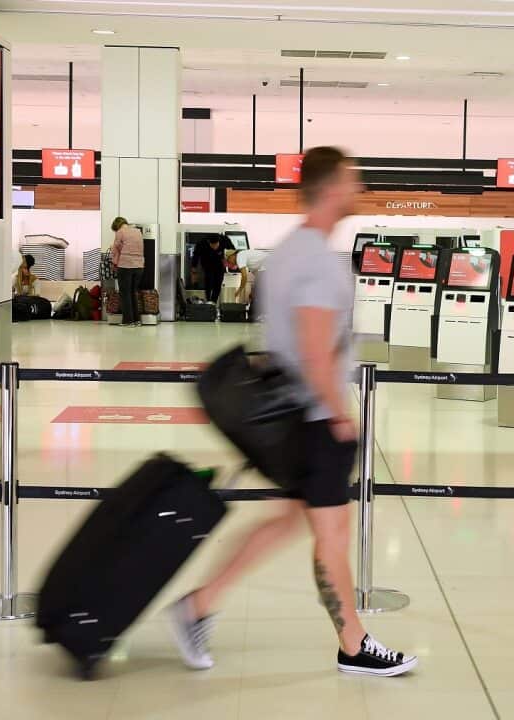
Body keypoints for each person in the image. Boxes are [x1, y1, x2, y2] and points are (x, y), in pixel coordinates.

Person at [167, 147, 418, 677]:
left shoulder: (286, 253)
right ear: (330, 188)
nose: (360, 188)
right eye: (352, 180)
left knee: (286, 522)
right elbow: (311, 348)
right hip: (314, 421)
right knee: (330, 536)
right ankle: (354, 645)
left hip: (292, 418)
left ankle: (198, 606)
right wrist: (339, 415)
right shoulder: (320, 263)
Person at [111, 217, 146, 327]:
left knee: (125, 294)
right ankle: (136, 320)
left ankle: (128, 321)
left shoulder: (120, 232)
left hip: (125, 266)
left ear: (117, 226)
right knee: (133, 292)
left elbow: (115, 250)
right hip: (139, 266)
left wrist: (114, 263)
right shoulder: (137, 232)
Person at [193, 233, 233, 302]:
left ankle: (213, 302)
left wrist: (230, 262)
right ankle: (208, 301)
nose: (215, 247)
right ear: (209, 242)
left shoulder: (224, 240)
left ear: (219, 241)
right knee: (209, 281)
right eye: (213, 245)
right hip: (207, 263)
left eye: (216, 245)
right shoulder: (201, 243)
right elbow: (195, 256)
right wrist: (194, 270)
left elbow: (233, 251)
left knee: (218, 283)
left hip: (219, 263)